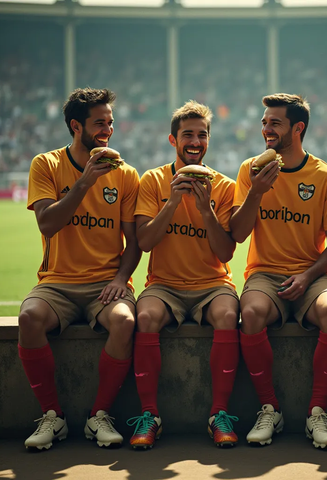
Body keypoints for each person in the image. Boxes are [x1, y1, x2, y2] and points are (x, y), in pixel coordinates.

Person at [18, 87, 141, 451]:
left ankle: (98, 415)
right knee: (28, 318)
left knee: (126, 321)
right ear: (76, 126)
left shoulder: (126, 174)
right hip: (57, 283)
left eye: (110, 123)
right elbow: (46, 224)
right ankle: (52, 416)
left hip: (106, 282)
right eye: (99, 123)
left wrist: (121, 278)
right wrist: (85, 181)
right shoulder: (47, 164)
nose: (107, 130)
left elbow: (133, 241)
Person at [230, 93, 327, 449]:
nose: (266, 129)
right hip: (264, 274)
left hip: (312, 273)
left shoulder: (325, 176)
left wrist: (308, 276)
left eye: (274, 123)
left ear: (298, 128)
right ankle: (270, 409)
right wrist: (257, 191)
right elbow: (237, 234)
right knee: (249, 313)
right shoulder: (250, 169)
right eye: (264, 122)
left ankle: (317, 413)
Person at [127, 100, 240, 450]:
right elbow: (144, 242)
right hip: (163, 284)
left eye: (202, 135)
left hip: (212, 283)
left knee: (227, 315)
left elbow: (225, 253)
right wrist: (173, 202)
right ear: (173, 140)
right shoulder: (153, 180)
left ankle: (219, 414)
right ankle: (149, 416)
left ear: (209, 140)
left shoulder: (223, 185)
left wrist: (206, 210)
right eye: (187, 134)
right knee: (144, 316)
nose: (195, 141)